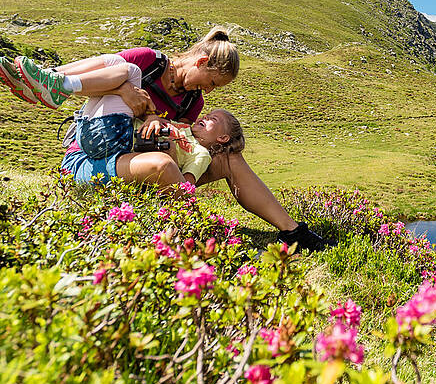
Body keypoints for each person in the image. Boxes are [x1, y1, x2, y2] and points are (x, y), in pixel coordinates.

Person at [0, 28, 328, 250]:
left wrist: (153, 119)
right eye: (210, 82)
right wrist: (127, 92)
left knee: (227, 156)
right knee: (123, 70)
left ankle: (291, 231)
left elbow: (173, 148)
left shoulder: (191, 103)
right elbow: (107, 83)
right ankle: (53, 79)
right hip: (93, 154)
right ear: (200, 62)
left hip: (136, 162)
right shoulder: (150, 62)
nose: (208, 92)